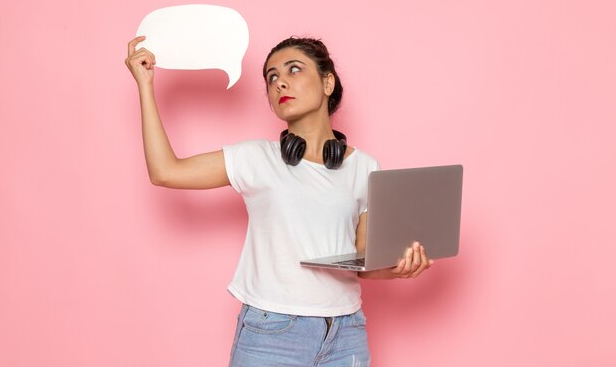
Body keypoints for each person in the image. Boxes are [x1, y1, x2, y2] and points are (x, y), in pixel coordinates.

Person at [125, 36, 433, 366]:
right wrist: (145, 86)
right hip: (272, 334)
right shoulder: (256, 158)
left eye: (294, 70)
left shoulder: (365, 166)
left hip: (347, 333)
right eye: (271, 77)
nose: (280, 82)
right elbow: (166, 171)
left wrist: (401, 268)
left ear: (327, 82)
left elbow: (363, 264)